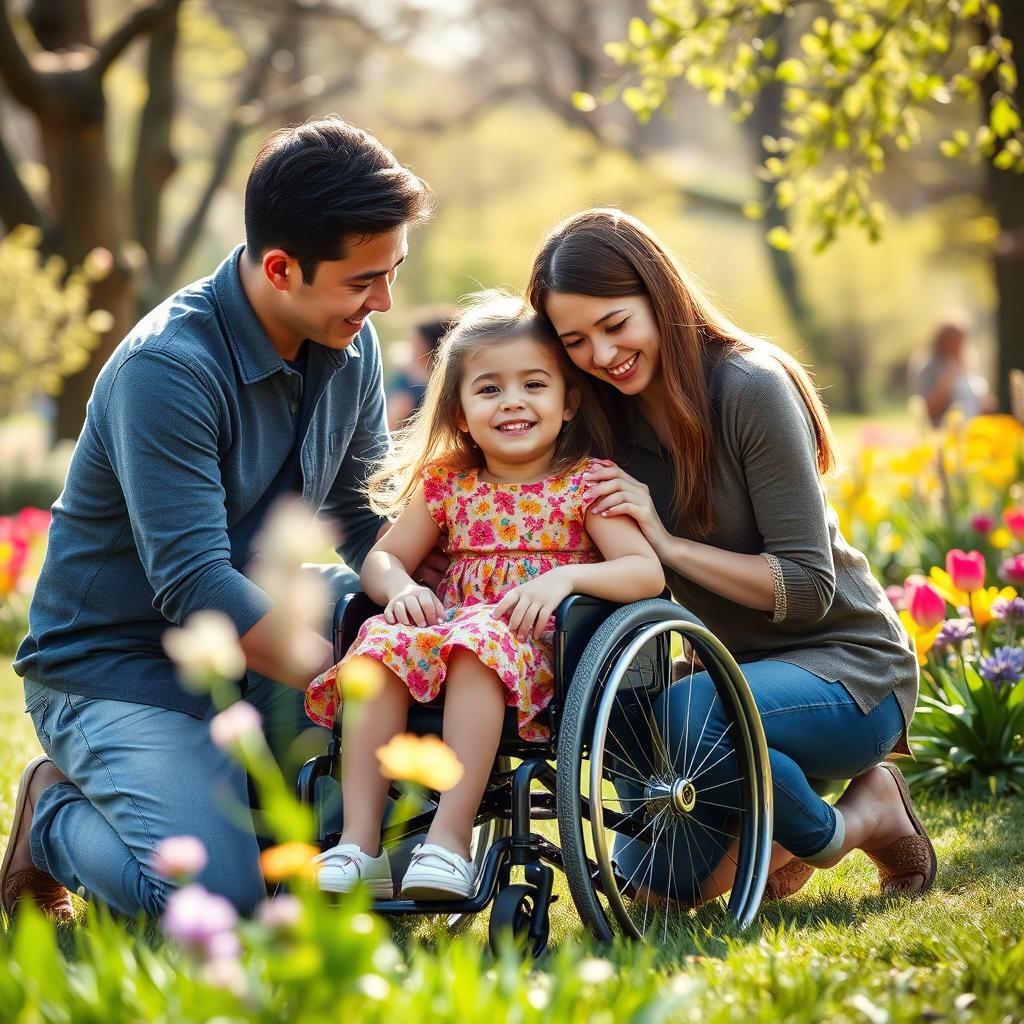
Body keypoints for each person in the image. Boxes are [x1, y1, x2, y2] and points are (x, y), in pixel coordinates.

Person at [1, 116, 433, 921]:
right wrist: (350, 681)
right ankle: (52, 815)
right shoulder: (167, 369)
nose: (383, 302)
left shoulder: (350, 340)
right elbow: (195, 582)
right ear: (280, 267)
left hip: (257, 649)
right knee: (218, 906)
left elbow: (365, 515)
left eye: (394, 271)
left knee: (353, 863)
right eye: (363, 280)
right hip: (116, 672)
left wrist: (432, 603)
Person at [526, 208, 935, 904]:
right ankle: (764, 812)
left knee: (687, 718)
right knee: (656, 885)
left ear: (657, 294)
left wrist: (666, 544)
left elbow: (807, 586)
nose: (600, 354)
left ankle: (860, 817)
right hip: (729, 682)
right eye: (575, 341)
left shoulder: (748, 387)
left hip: (848, 667)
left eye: (615, 325)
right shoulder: (602, 420)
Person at [303, 292, 665, 899]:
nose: (513, 402)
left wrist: (564, 579)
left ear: (568, 401)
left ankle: (448, 842)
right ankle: (358, 842)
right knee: (378, 646)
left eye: (534, 384)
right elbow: (384, 557)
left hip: (545, 656)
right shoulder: (449, 485)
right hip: (451, 639)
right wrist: (398, 587)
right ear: (461, 412)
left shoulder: (584, 484)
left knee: (477, 643)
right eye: (490, 389)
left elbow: (644, 572)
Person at [908, 320, 996, 427]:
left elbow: (986, 404)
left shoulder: (969, 364)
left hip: (974, 431)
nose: (959, 345)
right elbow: (927, 409)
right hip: (945, 433)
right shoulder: (930, 366)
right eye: (954, 340)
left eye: (961, 340)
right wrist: (946, 382)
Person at [385, 307, 456, 431]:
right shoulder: (457, 384)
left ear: (427, 347)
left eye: (414, 342)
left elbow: (389, 426)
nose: (409, 346)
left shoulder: (407, 386)